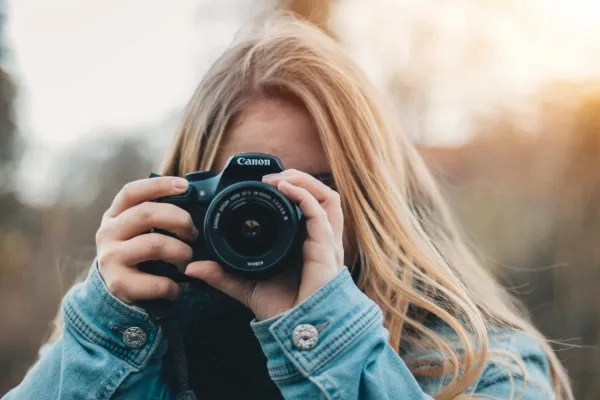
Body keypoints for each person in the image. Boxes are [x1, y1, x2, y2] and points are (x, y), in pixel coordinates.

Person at [4, 13, 573, 400]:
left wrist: (327, 336)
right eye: (243, 197)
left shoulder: (485, 366)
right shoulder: (135, 343)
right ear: (187, 196)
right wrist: (102, 333)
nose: (268, 219)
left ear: (374, 201)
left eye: (312, 191)